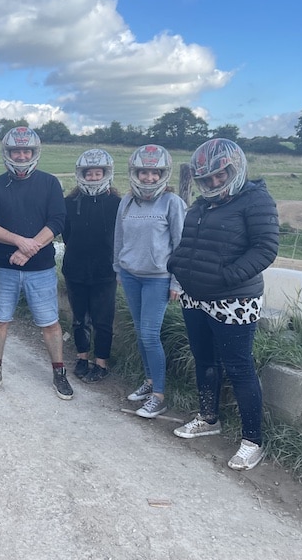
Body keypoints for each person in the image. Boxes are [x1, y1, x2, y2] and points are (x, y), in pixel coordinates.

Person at [168, 138, 278, 470]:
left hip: (235, 300)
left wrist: (228, 277)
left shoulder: (256, 200)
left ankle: (252, 440)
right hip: (195, 296)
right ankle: (208, 417)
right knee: (204, 359)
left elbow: (265, 248)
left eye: (220, 176)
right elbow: (190, 243)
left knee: (239, 367)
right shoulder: (202, 205)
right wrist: (177, 266)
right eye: (207, 179)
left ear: (235, 169)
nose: (214, 183)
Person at [0, 127, 72, 399]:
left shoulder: (50, 183)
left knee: (50, 323)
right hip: (3, 267)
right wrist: (22, 242)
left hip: (40, 268)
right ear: (7, 153)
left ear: (34, 153)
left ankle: (59, 371)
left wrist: (28, 251)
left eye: (26, 151)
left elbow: (56, 222)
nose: (21, 156)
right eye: (16, 151)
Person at [113, 144, 186, 418]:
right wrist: (118, 268)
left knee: (149, 335)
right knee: (140, 332)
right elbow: (119, 238)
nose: (149, 178)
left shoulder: (172, 203)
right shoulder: (127, 201)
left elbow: (181, 245)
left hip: (158, 279)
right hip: (131, 276)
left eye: (155, 173)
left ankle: (159, 396)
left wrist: (177, 283)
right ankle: (149, 381)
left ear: (163, 174)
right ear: (135, 172)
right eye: (144, 172)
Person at [62, 149, 121, 384]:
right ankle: (82, 357)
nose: (94, 177)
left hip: (105, 270)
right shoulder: (70, 202)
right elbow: (66, 235)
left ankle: (101, 362)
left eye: (98, 173)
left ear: (106, 174)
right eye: (90, 173)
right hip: (75, 268)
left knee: (103, 319)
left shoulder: (117, 203)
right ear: (82, 175)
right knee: (79, 318)